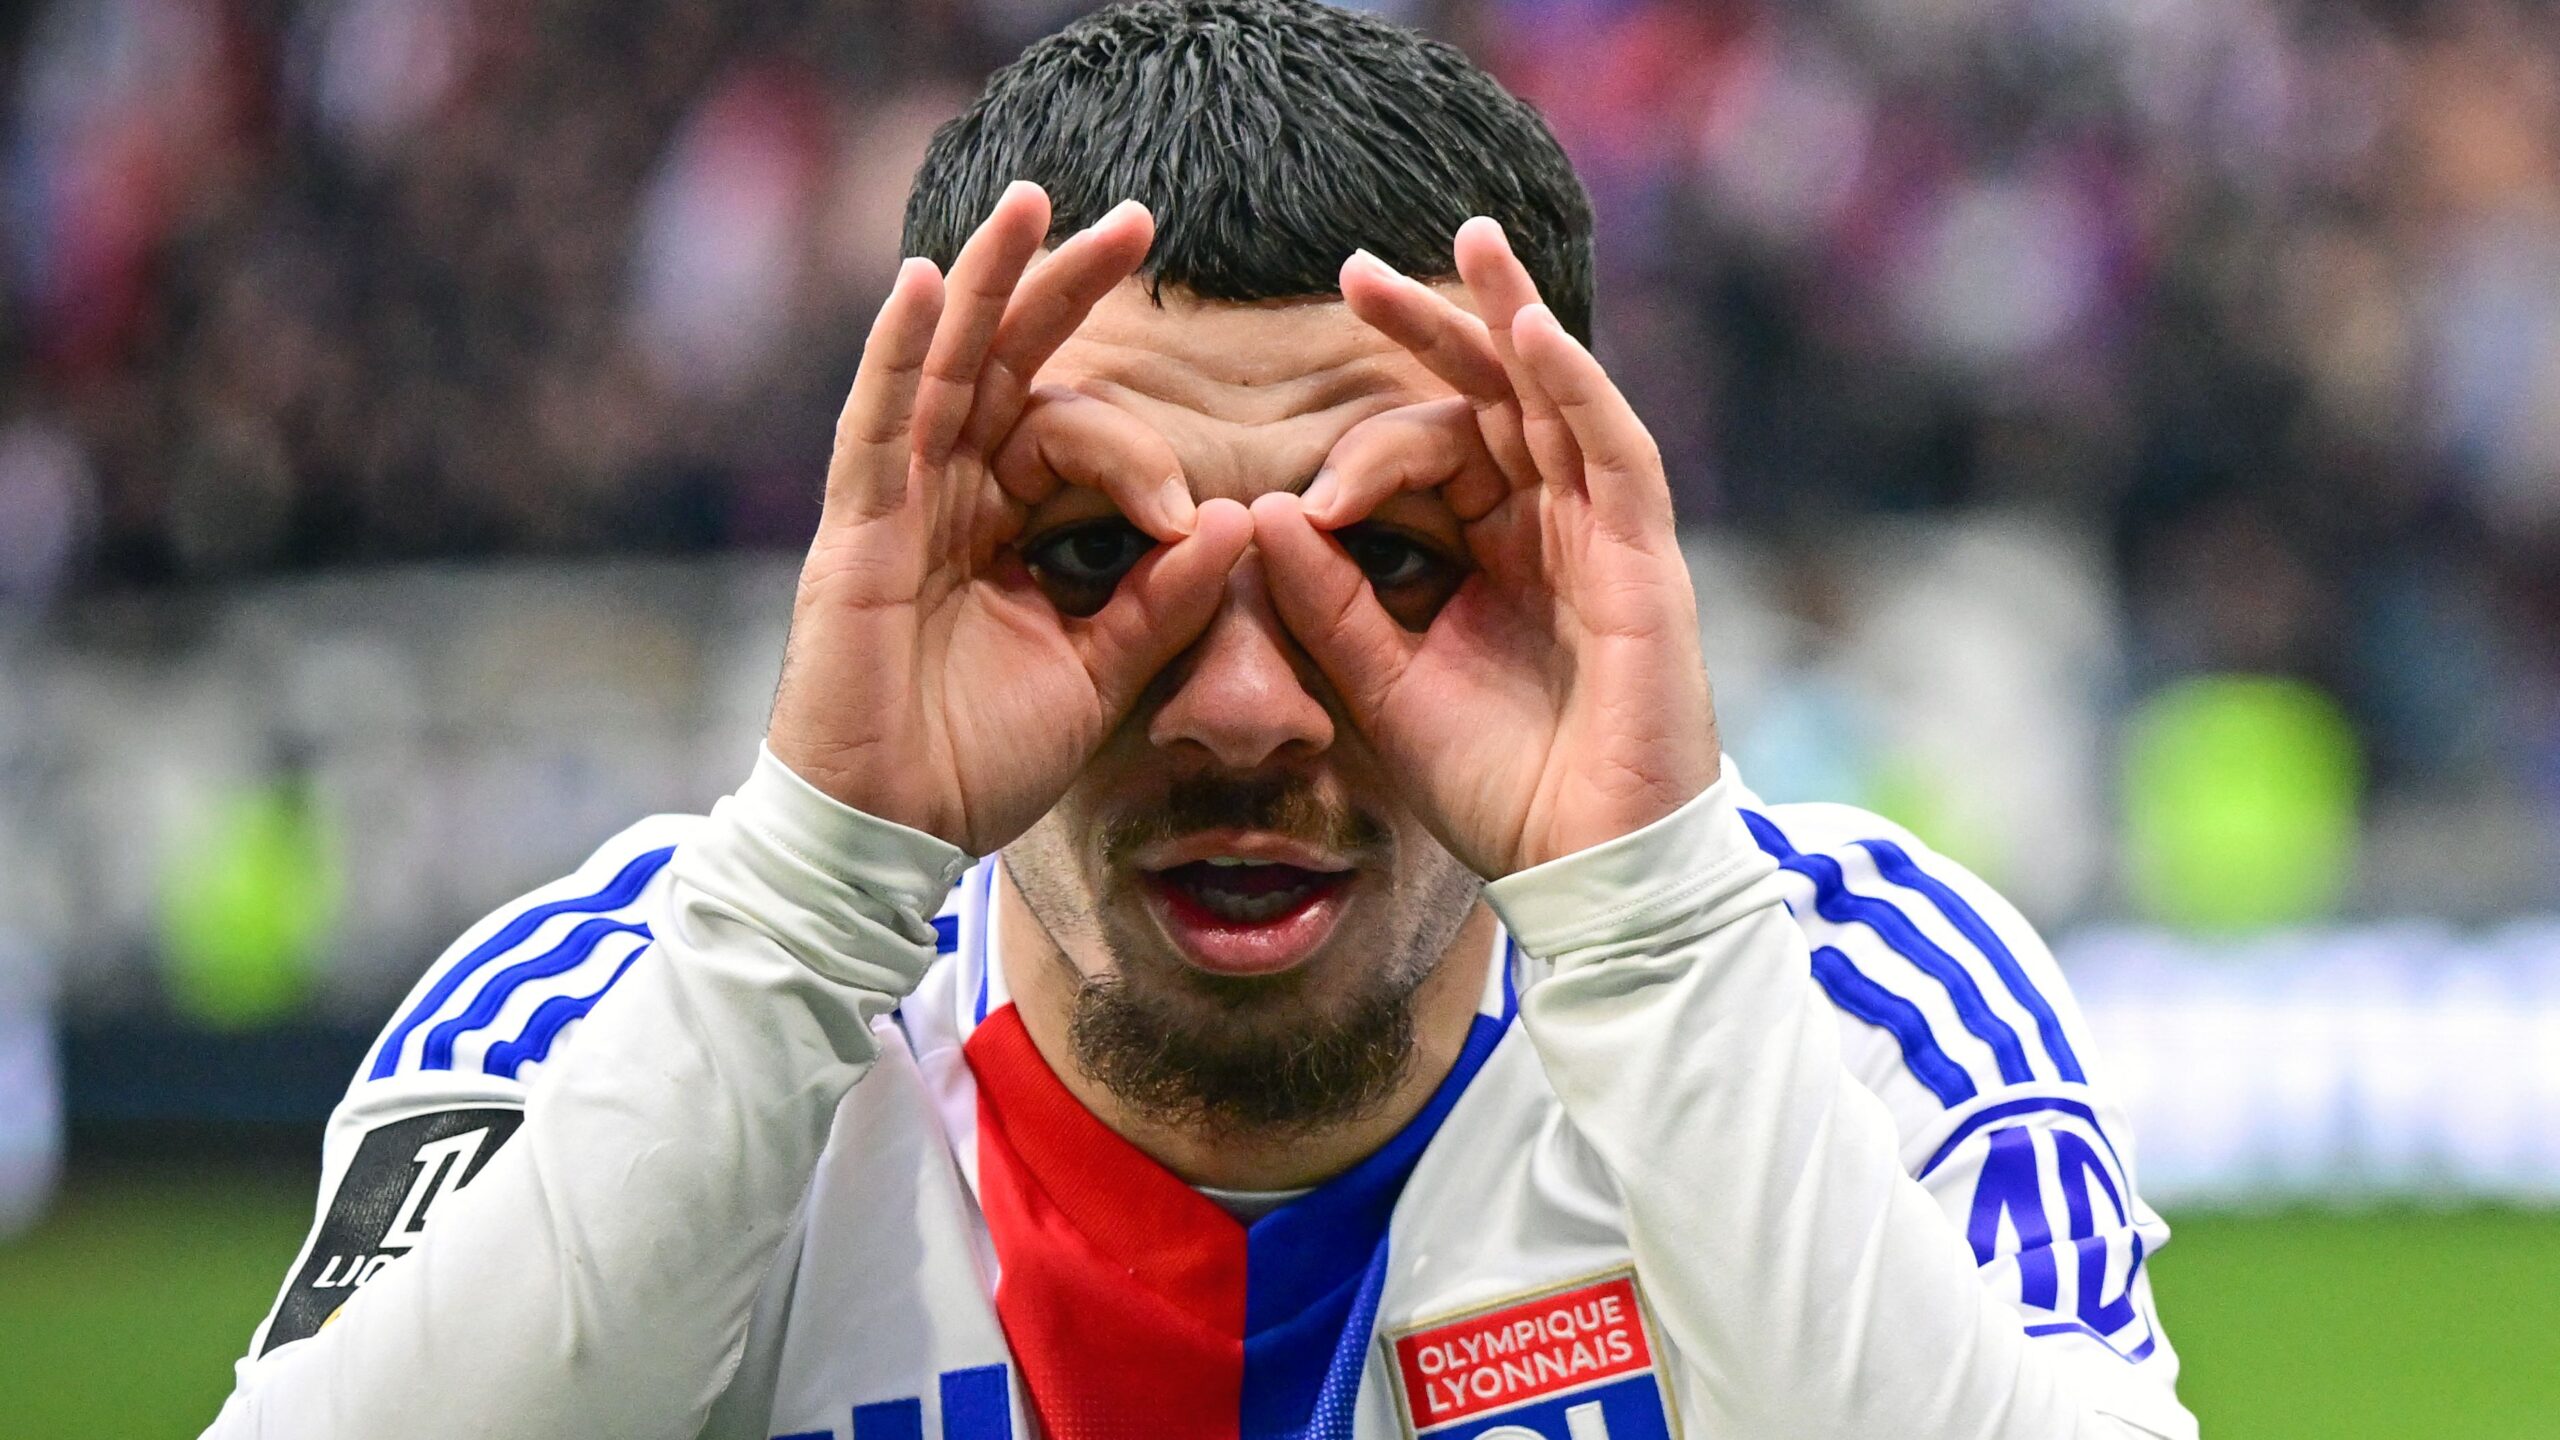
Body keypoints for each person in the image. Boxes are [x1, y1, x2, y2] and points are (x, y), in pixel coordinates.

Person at [205, 3, 2194, 1437]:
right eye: (1091, 557)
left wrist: (1649, 920)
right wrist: (815, 877)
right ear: (911, 541)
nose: (1244, 711)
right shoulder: (622, 1011)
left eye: (1392, 559)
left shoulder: (1841, 996)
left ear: (1580, 558)